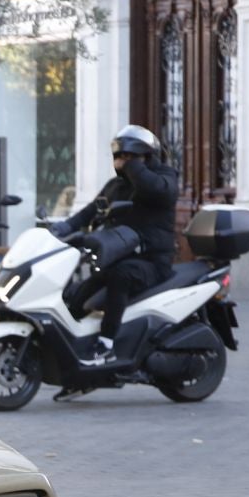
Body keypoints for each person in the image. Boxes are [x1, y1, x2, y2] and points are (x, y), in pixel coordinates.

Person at [54, 124, 180, 365]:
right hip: (119, 259)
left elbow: (158, 190)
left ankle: (106, 345)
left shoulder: (165, 178)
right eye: (119, 156)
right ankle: (70, 346)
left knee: (120, 276)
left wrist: (134, 167)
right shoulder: (116, 187)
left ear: (146, 156)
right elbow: (90, 211)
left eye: (129, 156)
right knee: (81, 291)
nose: (122, 161)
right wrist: (62, 228)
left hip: (153, 262)